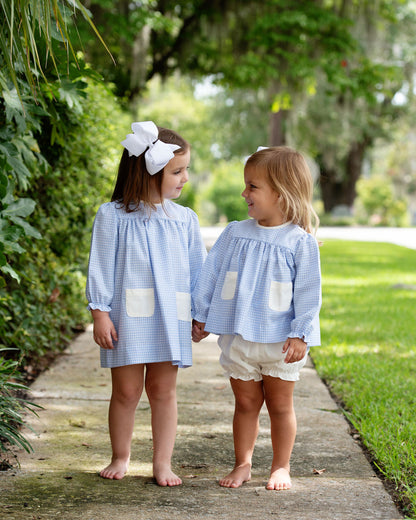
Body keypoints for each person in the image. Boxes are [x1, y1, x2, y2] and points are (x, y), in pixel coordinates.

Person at [192, 146, 321, 491]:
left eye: (252, 187)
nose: (244, 193)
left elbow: (309, 293)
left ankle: (281, 466)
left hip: (280, 342)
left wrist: (301, 334)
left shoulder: (299, 242)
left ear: (281, 192)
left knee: (280, 405)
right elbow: (211, 273)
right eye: (245, 186)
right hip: (240, 339)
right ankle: (243, 463)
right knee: (246, 403)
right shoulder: (235, 233)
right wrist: (201, 315)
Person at [86, 121, 206, 486]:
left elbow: (198, 271)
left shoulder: (184, 220)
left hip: (171, 318)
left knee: (163, 390)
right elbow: (101, 266)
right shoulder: (113, 216)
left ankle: (162, 463)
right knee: (125, 391)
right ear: (149, 171)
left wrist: (199, 315)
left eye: (186, 170)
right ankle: (120, 456)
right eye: (177, 171)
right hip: (125, 318)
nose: (185, 178)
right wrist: (100, 313)